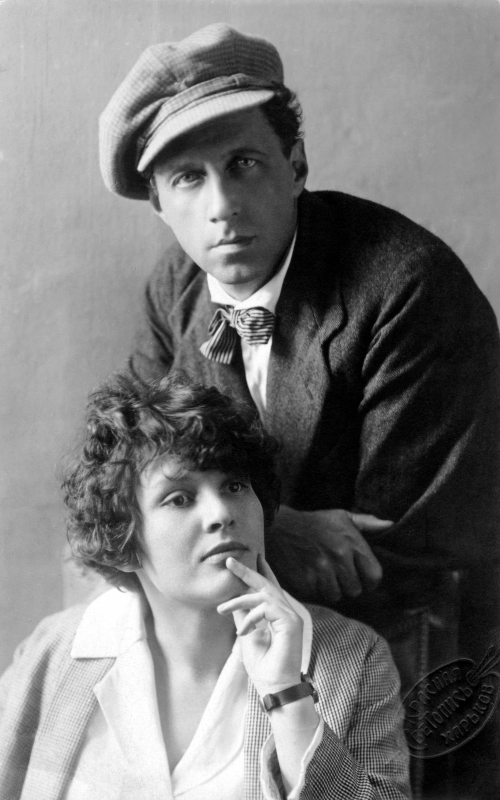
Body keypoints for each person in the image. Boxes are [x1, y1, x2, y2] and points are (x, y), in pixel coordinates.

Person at [98, 21, 500, 683]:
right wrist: (274, 525)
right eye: (188, 178)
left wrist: (205, 532)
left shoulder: (409, 288)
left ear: (297, 166)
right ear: (160, 207)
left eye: (244, 164)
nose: (222, 206)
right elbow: (130, 476)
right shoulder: (175, 286)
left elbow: (393, 549)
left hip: (413, 647)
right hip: (239, 635)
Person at [0, 373, 409, 799]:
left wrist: (287, 694)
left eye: (234, 486)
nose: (221, 513)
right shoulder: (52, 649)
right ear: (125, 541)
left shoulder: (355, 659)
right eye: (179, 498)